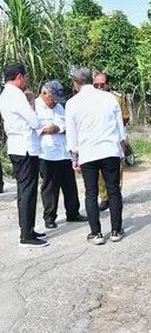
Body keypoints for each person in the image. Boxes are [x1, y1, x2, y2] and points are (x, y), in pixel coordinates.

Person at [66, 67, 126, 245]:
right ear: (91, 80)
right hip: (110, 150)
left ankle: (96, 233)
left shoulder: (72, 103)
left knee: (91, 194)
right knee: (114, 190)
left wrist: (74, 158)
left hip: (88, 153)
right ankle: (116, 230)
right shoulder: (109, 98)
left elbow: (72, 135)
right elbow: (120, 129)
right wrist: (121, 151)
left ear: (76, 83)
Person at [0, 63, 48, 247]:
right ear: (19, 76)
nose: (26, 81)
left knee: (24, 190)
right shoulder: (17, 95)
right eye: (25, 77)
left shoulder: (5, 94)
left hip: (16, 146)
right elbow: (34, 120)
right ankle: (26, 235)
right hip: (26, 148)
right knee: (28, 191)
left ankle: (27, 228)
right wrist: (32, 105)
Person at [36, 80, 88, 229]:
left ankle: (73, 213)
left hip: (63, 152)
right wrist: (45, 130)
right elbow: (32, 127)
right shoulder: (35, 106)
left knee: (70, 185)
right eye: (53, 98)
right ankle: (50, 217)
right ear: (44, 93)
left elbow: (69, 126)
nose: (54, 103)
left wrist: (57, 128)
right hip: (46, 153)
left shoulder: (60, 108)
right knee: (50, 187)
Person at [92, 72, 130, 212]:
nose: (99, 87)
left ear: (108, 85)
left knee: (117, 170)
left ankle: (115, 194)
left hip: (115, 138)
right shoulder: (89, 100)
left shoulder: (117, 99)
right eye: (96, 85)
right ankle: (104, 198)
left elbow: (125, 117)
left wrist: (121, 134)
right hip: (96, 139)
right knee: (100, 173)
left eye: (102, 84)